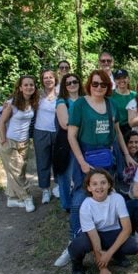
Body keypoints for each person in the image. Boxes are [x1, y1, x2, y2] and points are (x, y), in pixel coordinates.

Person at [63, 69, 137, 270]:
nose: (98, 88)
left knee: (109, 198)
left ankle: (113, 247)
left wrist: (127, 155)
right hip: (85, 157)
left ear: (108, 87)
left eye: (103, 85)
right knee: (79, 200)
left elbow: (117, 133)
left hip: (106, 157)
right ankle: (73, 243)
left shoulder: (111, 104)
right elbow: (71, 136)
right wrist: (81, 162)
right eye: (95, 84)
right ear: (89, 84)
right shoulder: (79, 105)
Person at [68, 169, 138, 274]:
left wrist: (109, 254)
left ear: (109, 185)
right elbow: (94, 237)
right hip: (94, 234)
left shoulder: (117, 198)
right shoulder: (86, 206)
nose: (99, 187)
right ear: (89, 188)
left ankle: (116, 254)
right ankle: (77, 265)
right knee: (78, 246)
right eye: (94, 184)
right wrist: (103, 268)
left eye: (103, 182)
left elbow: (127, 229)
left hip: (113, 232)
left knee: (134, 246)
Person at [0, 75, 39, 212]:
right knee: (17, 171)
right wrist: (3, 140)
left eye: (31, 85)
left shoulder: (33, 102)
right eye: (26, 85)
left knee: (17, 171)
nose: (29, 87)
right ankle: (26, 197)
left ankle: (12, 198)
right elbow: (2, 122)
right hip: (9, 141)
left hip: (24, 142)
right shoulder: (12, 103)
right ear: (20, 87)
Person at [54, 73, 85, 212]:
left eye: (75, 81)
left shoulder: (85, 100)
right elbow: (65, 124)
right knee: (66, 173)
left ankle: (80, 201)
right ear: (64, 87)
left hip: (83, 141)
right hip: (66, 142)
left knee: (81, 172)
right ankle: (67, 204)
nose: (72, 84)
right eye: (68, 83)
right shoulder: (62, 102)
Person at [34, 69, 59, 204]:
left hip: (56, 131)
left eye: (51, 77)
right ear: (42, 80)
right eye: (45, 78)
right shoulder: (37, 95)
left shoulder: (61, 94)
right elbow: (20, 99)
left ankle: (58, 186)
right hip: (41, 131)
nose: (48, 80)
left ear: (55, 79)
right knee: (42, 161)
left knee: (57, 160)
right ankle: (45, 189)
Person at [111, 69, 137, 179]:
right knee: (120, 155)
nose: (122, 81)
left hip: (132, 128)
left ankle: (134, 177)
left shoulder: (135, 95)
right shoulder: (110, 96)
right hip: (117, 128)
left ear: (128, 79)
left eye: (124, 78)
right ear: (115, 81)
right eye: (118, 79)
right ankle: (121, 178)